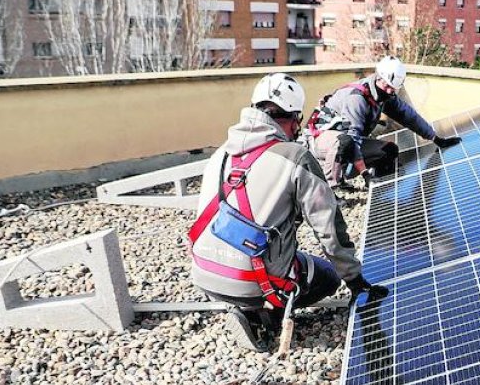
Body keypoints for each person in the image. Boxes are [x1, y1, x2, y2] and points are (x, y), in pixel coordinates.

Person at [189, 73, 388, 352]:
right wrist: (355, 280)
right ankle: (261, 317)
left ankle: (244, 301)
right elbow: (328, 228)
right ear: (294, 118)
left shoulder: (219, 154)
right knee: (327, 276)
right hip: (251, 279)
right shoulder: (295, 157)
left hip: (204, 272)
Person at [307, 56, 461, 188]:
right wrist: (364, 173)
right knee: (345, 142)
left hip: (347, 143)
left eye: (393, 89)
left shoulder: (385, 95)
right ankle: (331, 188)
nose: (389, 91)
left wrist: (435, 138)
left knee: (389, 150)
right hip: (321, 141)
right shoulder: (357, 99)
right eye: (387, 86)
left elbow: (409, 116)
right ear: (378, 77)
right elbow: (352, 138)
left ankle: (378, 190)